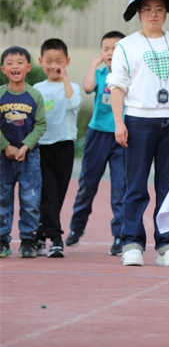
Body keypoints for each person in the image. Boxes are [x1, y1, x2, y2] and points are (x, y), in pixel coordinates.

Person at [107, 0, 169, 267]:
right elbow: (117, 85)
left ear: (167, 13)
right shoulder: (126, 46)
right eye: (147, 9)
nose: (153, 14)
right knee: (135, 184)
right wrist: (119, 121)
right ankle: (132, 243)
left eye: (159, 9)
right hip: (138, 120)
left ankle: (167, 244)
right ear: (138, 13)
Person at [66, 31, 126, 256]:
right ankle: (77, 227)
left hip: (122, 136)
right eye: (106, 49)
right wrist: (93, 64)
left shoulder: (131, 76)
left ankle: (119, 235)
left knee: (120, 188)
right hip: (98, 135)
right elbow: (87, 86)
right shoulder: (100, 74)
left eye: (116, 48)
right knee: (87, 184)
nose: (110, 52)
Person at [33, 39, 82, 258]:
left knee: (58, 194)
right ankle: (56, 239)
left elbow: (73, 104)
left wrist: (65, 79)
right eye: (49, 61)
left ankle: (39, 236)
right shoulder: (37, 89)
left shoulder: (72, 87)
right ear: (40, 61)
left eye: (59, 61)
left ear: (67, 61)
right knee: (49, 194)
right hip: (42, 147)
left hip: (64, 146)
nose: (54, 66)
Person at [0, 46, 47, 258]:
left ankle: (28, 240)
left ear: (28, 67)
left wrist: (26, 146)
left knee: (30, 200)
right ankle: (2, 240)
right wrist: (6, 146)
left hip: (30, 157)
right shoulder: (1, 94)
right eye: (10, 63)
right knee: (2, 198)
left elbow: (41, 125)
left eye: (20, 63)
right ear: (3, 69)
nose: (15, 66)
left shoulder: (35, 95)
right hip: (3, 157)